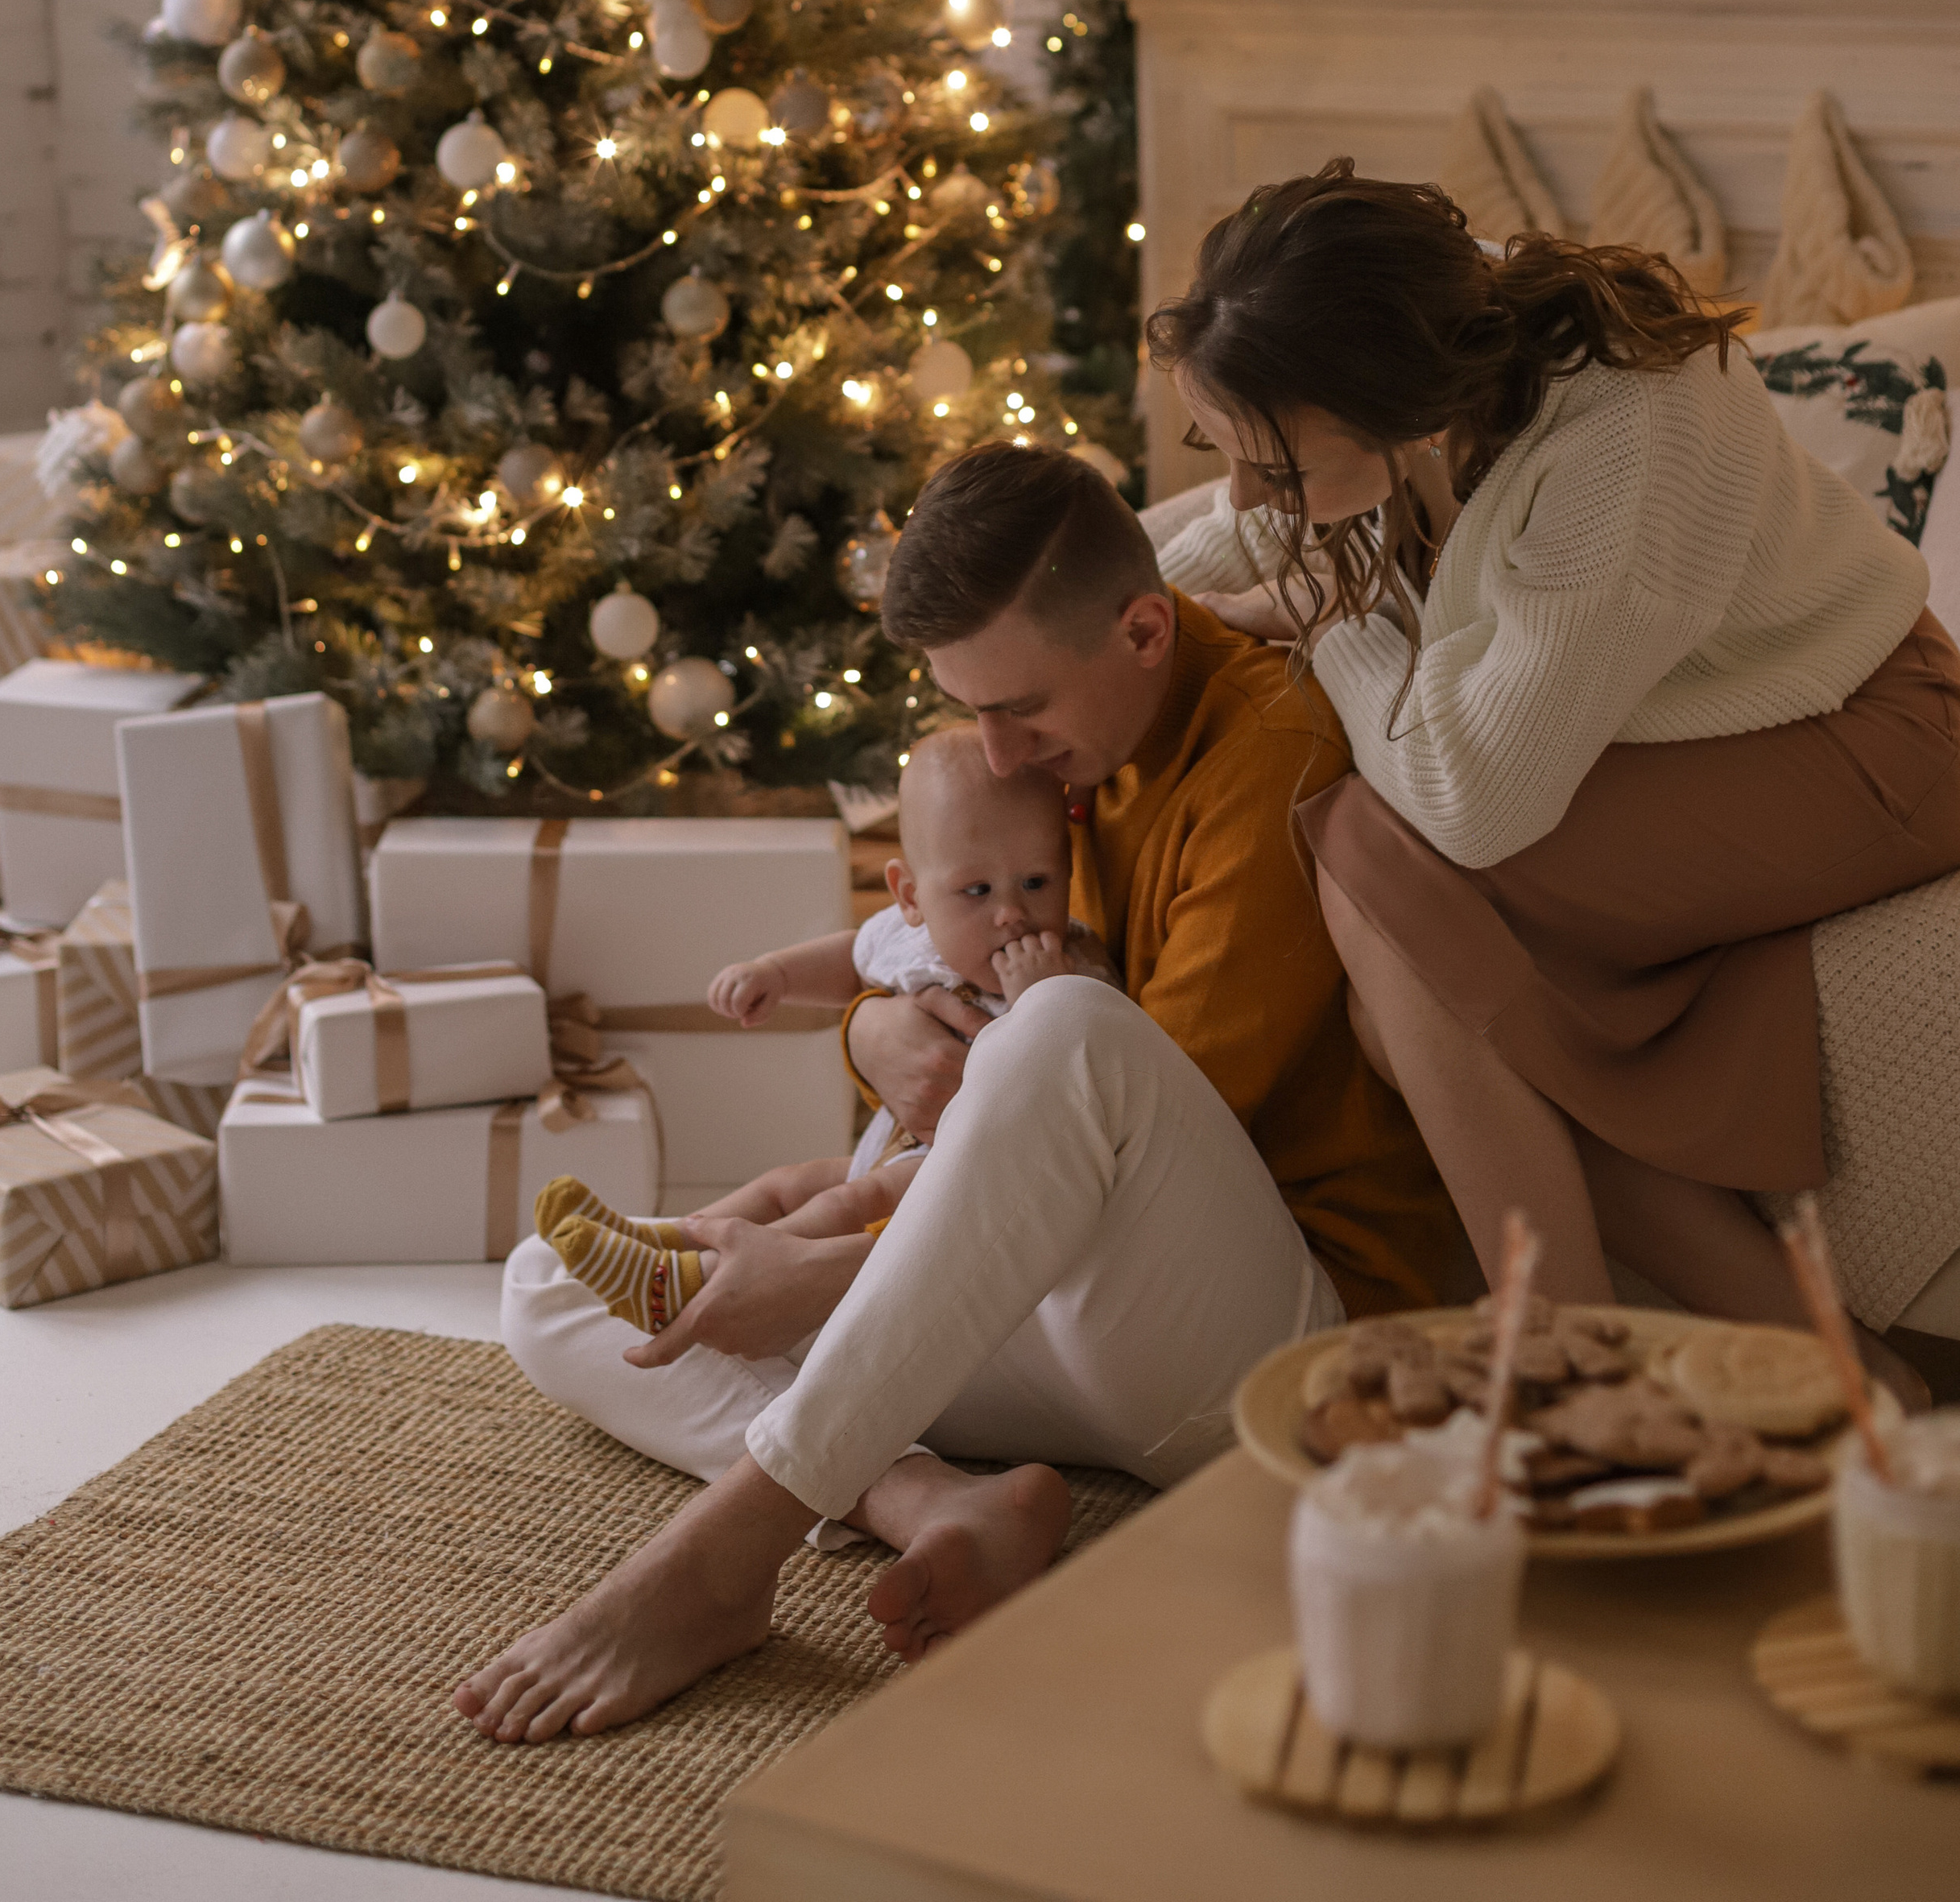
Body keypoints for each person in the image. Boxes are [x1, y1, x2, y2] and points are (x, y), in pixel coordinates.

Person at [455, 448, 1458, 1746]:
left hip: (1254, 1341)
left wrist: (817, 1278)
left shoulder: (1271, 751)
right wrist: (868, 1030)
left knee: (1064, 1029)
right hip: (1042, 1311)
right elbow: (921, 954)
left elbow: (1119, 1109)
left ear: (1145, 630)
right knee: (546, 1284)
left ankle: (726, 1553)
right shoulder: (1065, 738)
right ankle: (925, 1503)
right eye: (968, 712)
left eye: (1021, 711)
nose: (999, 755)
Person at [1149, 160, 1960, 1384]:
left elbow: (1471, 801)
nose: (1256, 494)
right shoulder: (1420, 406)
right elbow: (1236, 529)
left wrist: (1324, 614)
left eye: (1283, 466)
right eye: (1230, 450)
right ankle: (1841, 1381)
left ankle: (1561, 1363)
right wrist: (1111, 597)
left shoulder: (1635, 427)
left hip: (1880, 732)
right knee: (1402, 1015)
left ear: (1393, 395)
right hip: (1719, 744)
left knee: (1377, 862)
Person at [531, 726, 1115, 1333]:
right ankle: (659, 1244)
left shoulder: (1074, 966)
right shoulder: (910, 934)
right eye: (977, 890)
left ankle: (701, 1282)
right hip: (888, 1149)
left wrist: (1041, 997)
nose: (1011, 913)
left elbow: (1082, 1073)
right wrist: (775, 975)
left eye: (1038, 882)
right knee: (787, 1185)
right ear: (910, 896)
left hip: (954, 1178)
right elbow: (850, 960)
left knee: (844, 1203)